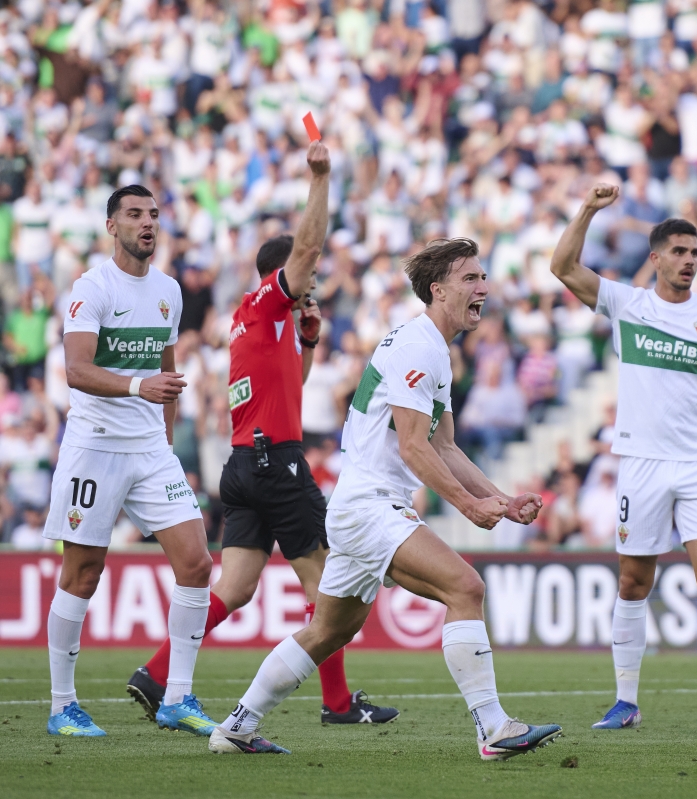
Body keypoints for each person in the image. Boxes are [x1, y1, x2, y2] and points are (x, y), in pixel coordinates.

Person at [208, 238, 560, 759]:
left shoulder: (434, 347)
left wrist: (501, 499)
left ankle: (235, 727)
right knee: (466, 587)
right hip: (371, 505)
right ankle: (493, 728)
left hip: (361, 505)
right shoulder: (419, 347)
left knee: (327, 631)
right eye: (470, 279)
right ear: (438, 290)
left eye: (483, 277)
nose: (483, 287)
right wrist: (469, 506)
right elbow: (414, 446)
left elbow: (445, 446)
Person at [125, 141, 398, 727]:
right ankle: (338, 703)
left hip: (245, 465)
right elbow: (308, 246)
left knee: (237, 586)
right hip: (277, 465)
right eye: (310, 277)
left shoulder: (255, 318)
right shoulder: (272, 300)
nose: (315, 282)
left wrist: (306, 343)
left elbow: (288, 392)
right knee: (328, 582)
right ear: (286, 277)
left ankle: (155, 672)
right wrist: (321, 178)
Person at [549, 184, 697, 732]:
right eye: (679, 252)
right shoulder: (628, 303)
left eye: (695, 253)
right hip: (640, 463)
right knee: (632, 584)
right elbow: (562, 266)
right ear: (656, 258)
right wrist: (589, 209)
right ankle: (626, 702)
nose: (689, 261)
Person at [43, 186, 216, 737]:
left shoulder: (168, 291)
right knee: (83, 573)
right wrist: (141, 385)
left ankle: (178, 699)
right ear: (111, 225)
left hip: (149, 451)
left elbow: (165, 377)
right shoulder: (91, 288)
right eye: (135, 215)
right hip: (94, 447)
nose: (148, 224)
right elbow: (77, 369)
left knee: (196, 564)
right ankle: (61, 705)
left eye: (154, 216)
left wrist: (165, 442)